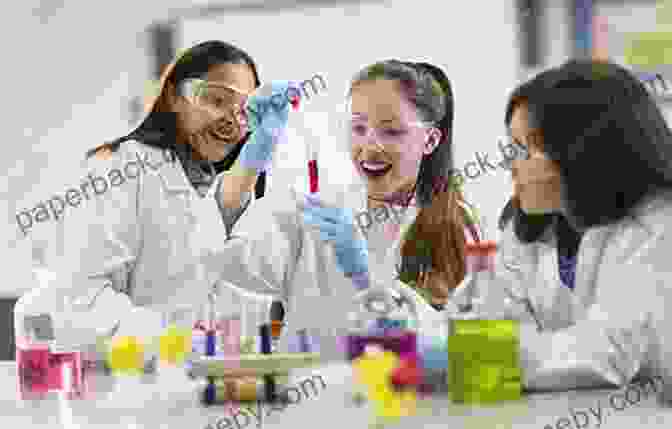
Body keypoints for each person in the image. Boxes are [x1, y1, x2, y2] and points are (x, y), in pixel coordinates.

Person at [13, 41, 294, 357]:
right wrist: (182, 345)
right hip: (122, 391)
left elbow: (219, 295)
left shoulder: (213, 189)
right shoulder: (119, 169)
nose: (231, 120)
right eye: (217, 100)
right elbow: (83, 300)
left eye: (244, 110)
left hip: (200, 391)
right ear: (174, 97)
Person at [218, 60, 480, 356]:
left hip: (404, 401)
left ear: (430, 140)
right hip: (310, 400)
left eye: (391, 132)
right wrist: (255, 151)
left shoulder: (455, 225)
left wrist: (365, 276)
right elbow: (225, 258)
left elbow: (456, 346)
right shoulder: (316, 214)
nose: (369, 148)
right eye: (359, 128)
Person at [494, 59, 672, 392]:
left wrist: (483, 354)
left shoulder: (659, 225)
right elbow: (497, 325)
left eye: (524, 150)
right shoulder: (526, 230)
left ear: (579, 151)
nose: (508, 164)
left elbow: (609, 354)